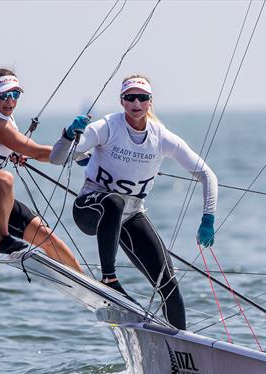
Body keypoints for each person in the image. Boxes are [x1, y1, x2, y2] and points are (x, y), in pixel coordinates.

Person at [50, 74, 218, 330]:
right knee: (114, 202)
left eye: (142, 98)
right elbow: (58, 158)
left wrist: (208, 218)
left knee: (168, 283)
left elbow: (207, 174)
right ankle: (108, 279)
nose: (136, 103)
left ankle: (184, 343)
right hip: (90, 208)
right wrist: (69, 135)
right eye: (130, 98)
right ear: (122, 101)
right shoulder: (107, 126)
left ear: (150, 102)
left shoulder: (161, 137)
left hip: (130, 215)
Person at [0, 68, 83, 273]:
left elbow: (3, 147)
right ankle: (3, 240)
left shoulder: (1, 116)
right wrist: (78, 153)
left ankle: (86, 284)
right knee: (4, 179)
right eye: (3, 95)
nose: (10, 101)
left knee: (47, 237)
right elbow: (37, 152)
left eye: (15, 94)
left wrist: (11, 152)